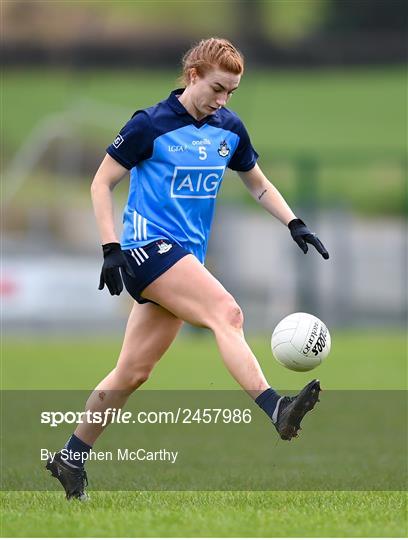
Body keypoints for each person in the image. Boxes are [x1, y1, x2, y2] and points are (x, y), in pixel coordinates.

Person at [46, 37, 329, 500]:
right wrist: (109, 247)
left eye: (231, 92)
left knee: (132, 373)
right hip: (146, 249)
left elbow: (257, 185)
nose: (223, 100)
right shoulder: (149, 124)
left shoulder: (229, 129)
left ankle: (70, 457)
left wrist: (294, 223)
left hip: (183, 259)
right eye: (217, 88)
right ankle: (275, 407)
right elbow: (102, 182)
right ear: (193, 74)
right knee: (227, 313)